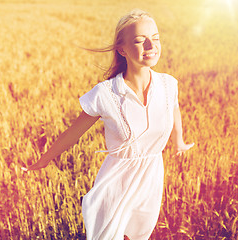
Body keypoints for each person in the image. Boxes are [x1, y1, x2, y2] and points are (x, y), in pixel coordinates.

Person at [25, 9, 194, 240]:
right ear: (122, 49)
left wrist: (179, 141)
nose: (150, 45)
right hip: (116, 183)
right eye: (139, 40)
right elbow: (73, 134)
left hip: (151, 179)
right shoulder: (105, 94)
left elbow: (172, 107)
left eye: (155, 38)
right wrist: (44, 160)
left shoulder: (168, 85)